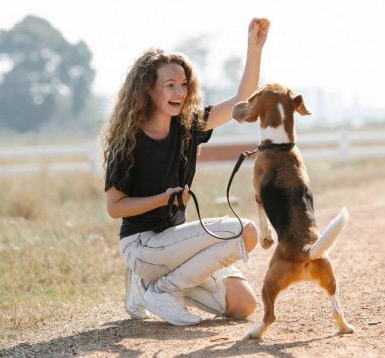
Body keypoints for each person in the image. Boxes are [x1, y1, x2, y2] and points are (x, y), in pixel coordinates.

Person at [101, 18, 270, 326]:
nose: (179, 91)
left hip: (174, 245)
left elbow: (240, 101)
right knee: (246, 231)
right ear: (148, 90)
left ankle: (146, 288)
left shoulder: (189, 126)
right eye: (170, 85)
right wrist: (162, 198)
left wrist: (254, 49)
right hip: (141, 246)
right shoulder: (127, 142)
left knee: (243, 306)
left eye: (183, 85)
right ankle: (163, 288)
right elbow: (114, 208)